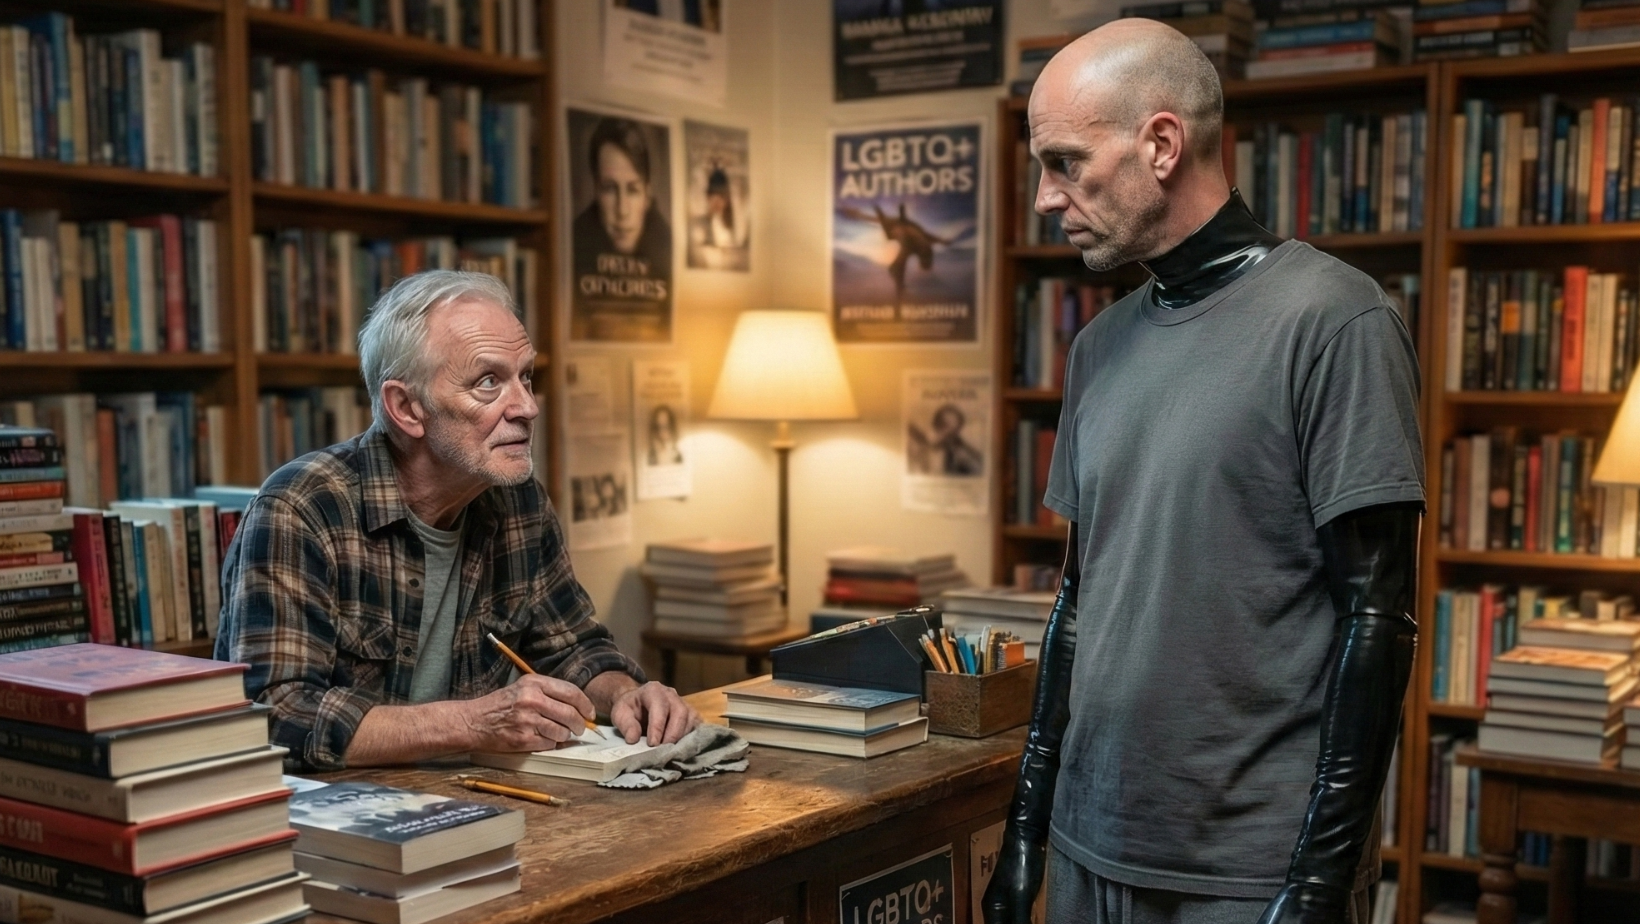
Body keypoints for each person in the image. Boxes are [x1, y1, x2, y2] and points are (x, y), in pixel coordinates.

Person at [983, 19, 1423, 924]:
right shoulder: (1098, 346)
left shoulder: (1336, 322)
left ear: (1160, 143)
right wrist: (1027, 821)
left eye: (1065, 162)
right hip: (1088, 845)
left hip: (1246, 870)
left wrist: (1318, 881)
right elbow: (1077, 608)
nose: (1043, 198)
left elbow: (1376, 618)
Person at [216, 270, 698, 772]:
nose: (528, 407)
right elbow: (274, 717)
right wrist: (473, 723)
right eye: (489, 382)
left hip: (470, 797)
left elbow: (572, 645)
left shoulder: (518, 501)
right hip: (327, 823)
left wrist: (628, 694)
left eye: (525, 376)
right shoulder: (302, 509)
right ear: (406, 408)